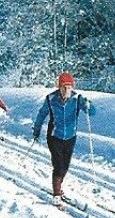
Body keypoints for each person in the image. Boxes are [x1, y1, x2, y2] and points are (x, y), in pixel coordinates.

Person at [32, 71, 95, 207]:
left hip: (70, 137)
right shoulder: (51, 99)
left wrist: (88, 105)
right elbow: (42, 114)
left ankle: (59, 187)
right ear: (59, 87)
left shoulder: (77, 99)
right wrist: (36, 130)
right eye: (64, 87)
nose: (66, 90)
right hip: (54, 136)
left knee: (65, 166)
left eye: (69, 87)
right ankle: (56, 194)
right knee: (58, 165)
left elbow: (92, 112)